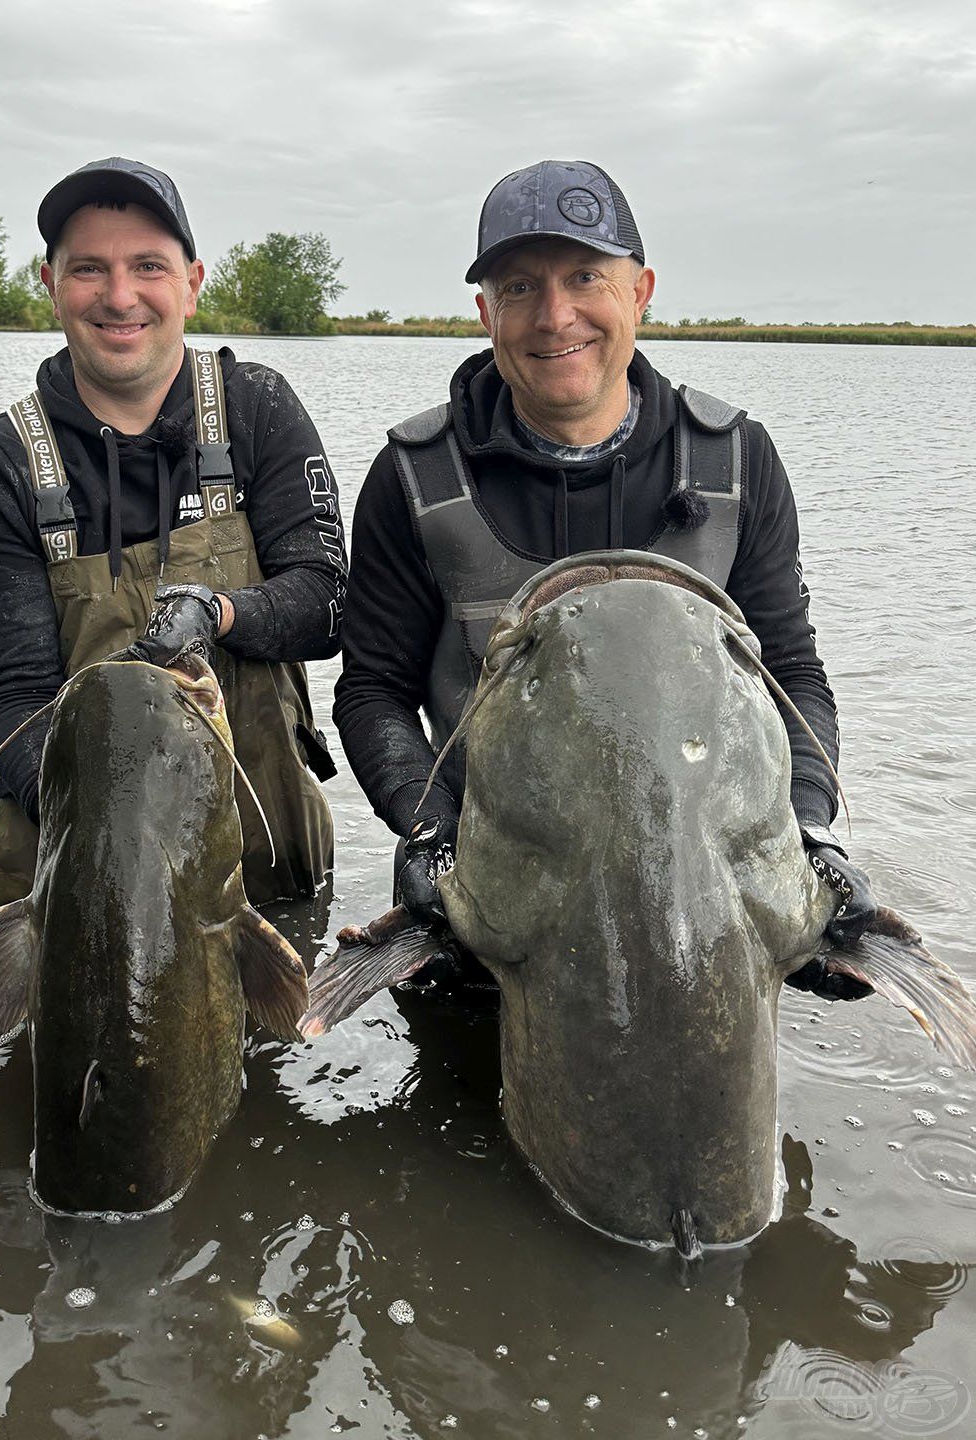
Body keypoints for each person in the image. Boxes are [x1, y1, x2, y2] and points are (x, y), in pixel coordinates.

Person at [333, 159, 873, 998]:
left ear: (640, 290)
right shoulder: (410, 475)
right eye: (518, 287)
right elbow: (371, 691)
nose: (555, 316)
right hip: (495, 901)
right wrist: (432, 836)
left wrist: (808, 836)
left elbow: (792, 676)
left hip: (704, 908)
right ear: (484, 311)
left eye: (585, 276)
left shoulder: (735, 458)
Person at [0, 157, 347, 909]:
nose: (119, 296)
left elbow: (327, 606)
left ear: (190, 283)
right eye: (89, 268)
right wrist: (116, 849)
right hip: (73, 878)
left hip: (260, 859)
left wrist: (219, 612)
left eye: (147, 266)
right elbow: (17, 699)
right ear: (51, 284)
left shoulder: (257, 408)